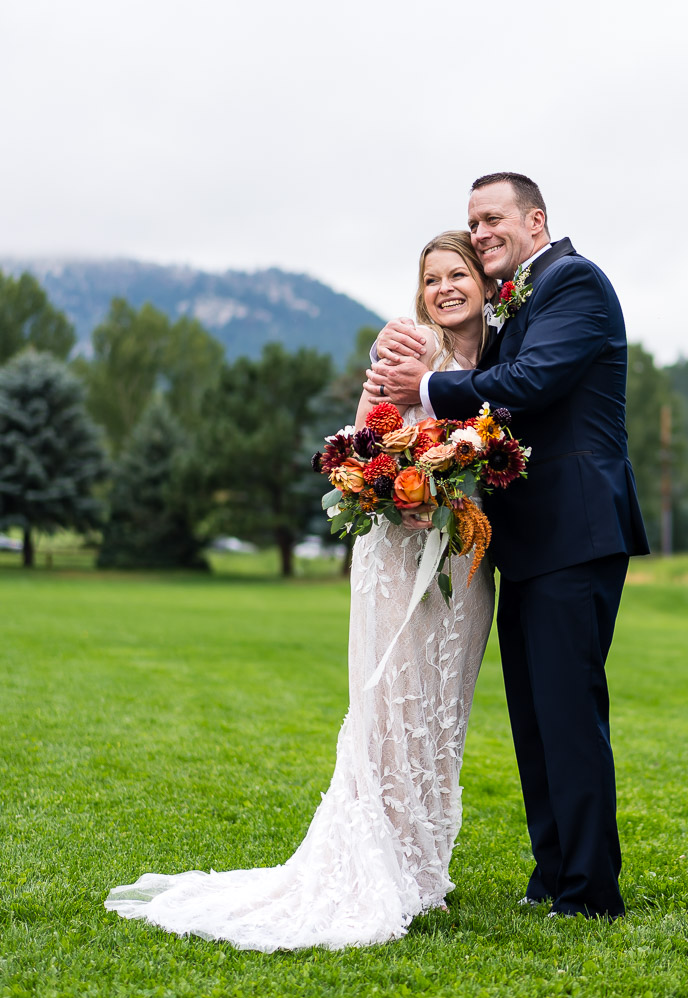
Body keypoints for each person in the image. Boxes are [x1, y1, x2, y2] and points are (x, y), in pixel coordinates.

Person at [104, 231, 497, 951]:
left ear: (482, 280)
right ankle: (386, 870)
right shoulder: (407, 343)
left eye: (458, 274)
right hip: (400, 551)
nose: (445, 288)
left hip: (464, 565)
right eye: (432, 277)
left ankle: (425, 869)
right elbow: (362, 439)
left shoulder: (499, 355)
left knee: (442, 714)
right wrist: (390, 489)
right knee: (391, 709)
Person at [368, 172, 648, 919]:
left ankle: (590, 892)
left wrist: (428, 386)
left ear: (536, 219)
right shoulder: (519, 298)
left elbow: (528, 380)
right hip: (528, 540)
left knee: (568, 712)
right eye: (472, 221)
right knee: (534, 716)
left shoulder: (574, 282)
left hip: (575, 528)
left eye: (493, 219)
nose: (482, 231)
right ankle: (553, 874)